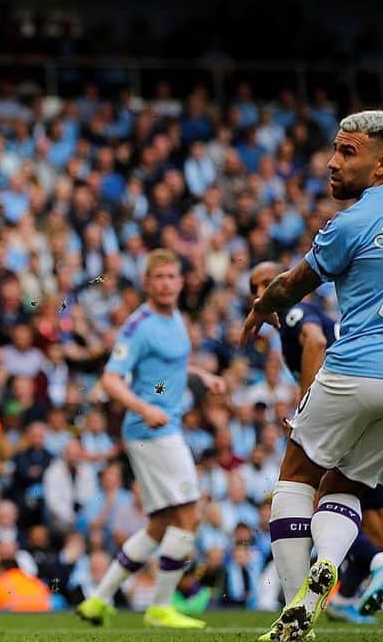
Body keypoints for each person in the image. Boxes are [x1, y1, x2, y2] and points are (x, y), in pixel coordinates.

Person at [243, 110, 383, 642]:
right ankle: (330, 563)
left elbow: (292, 286)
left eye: (348, 152)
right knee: (349, 483)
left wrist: (260, 306)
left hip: (354, 368)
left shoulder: (349, 223)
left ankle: (295, 605)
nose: (332, 162)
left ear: (380, 168)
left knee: (297, 472)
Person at [76, 249, 226, 630]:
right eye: (158, 277)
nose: (166, 283)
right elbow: (110, 379)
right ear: (147, 282)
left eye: (172, 276)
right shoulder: (138, 326)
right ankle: (160, 607)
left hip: (162, 428)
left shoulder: (175, 317)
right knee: (189, 514)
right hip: (153, 431)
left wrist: (200, 375)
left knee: (160, 523)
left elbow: (167, 364)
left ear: (181, 281)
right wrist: (144, 409)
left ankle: (97, 600)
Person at [248, 262, 380, 626]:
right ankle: (337, 567)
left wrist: (307, 401)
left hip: (346, 392)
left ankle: (306, 597)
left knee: (298, 481)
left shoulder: (296, 310)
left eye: (265, 283)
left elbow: (316, 341)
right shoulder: (318, 313)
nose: (260, 293)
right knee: (344, 490)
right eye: (253, 287)